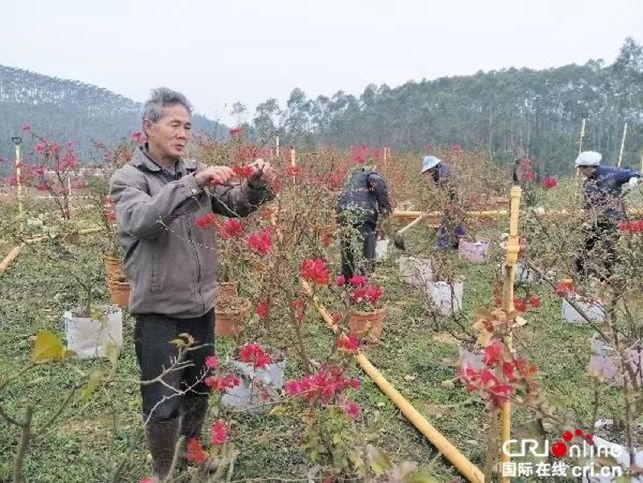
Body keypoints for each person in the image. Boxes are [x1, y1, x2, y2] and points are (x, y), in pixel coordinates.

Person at [109, 87, 275, 480]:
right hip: (160, 311)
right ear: (148, 127)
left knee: (199, 386)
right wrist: (194, 182)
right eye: (174, 125)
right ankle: (164, 469)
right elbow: (143, 221)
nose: (183, 134)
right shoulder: (129, 179)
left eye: (187, 126)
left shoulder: (191, 170)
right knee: (162, 398)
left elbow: (235, 206)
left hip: (201, 305)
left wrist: (255, 184)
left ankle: (192, 453)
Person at [575, 150, 641, 280]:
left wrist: (634, 178)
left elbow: (636, 173)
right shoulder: (586, 183)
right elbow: (587, 204)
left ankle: (610, 282)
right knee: (583, 252)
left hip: (612, 220)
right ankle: (581, 279)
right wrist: (586, 218)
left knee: (608, 251)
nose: (580, 171)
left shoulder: (612, 173)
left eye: (582, 168)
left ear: (589, 166)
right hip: (594, 221)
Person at [337, 165, 392, 279]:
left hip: (344, 215)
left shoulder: (352, 180)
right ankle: (364, 280)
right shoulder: (369, 175)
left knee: (347, 248)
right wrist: (385, 206)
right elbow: (376, 181)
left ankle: (347, 280)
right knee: (367, 247)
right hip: (361, 214)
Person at [420, 155, 466, 250]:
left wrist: (449, 203)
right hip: (455, 199)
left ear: (431, 169)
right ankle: (460, 244)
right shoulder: (441, 170)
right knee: (456, 221)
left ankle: (442, 245)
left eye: (426, 173)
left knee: (448, 221)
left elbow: (451, 191)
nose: (426, 176)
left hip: (455, 200)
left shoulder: (443, 175)